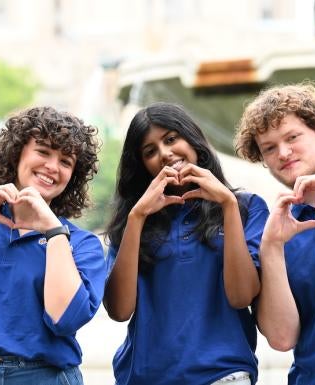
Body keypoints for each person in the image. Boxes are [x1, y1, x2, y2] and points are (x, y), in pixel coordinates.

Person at [103, 102, 269, 385]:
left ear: (192, 139)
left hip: (223, 374)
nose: (165, 154)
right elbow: (119, 311)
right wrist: (137, 217)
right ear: (142, 165)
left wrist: (228, 205)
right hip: (144, 378)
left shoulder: (247, 208)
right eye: (149, 151)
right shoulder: (134, 221)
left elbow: (242, 297)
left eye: (171, 139)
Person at [0, 106, 107, 385]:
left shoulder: (83, 245)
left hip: (45, 376)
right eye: (44, 151)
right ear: (17, 152)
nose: (52, 167)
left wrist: (54, 231)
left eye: (66, 161)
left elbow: (64, 319)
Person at [234, 81, 315, 385]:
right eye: (269, 148)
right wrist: (271, 248)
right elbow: (282, 338)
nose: (283, 153)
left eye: (293, 137)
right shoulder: (274, 231)